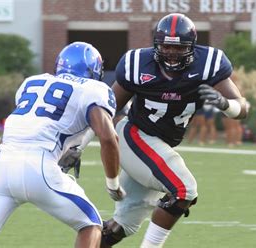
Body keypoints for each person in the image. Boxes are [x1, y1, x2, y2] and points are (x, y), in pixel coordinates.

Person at [0, 42, 125, 248]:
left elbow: (17, 127)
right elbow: (108, 137)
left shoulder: (33, 82)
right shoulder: (93, 89)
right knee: (91, 224)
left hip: (2, 164)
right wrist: (113, 184)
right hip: (39, 165)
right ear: (94, 70)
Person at [98, 13, 248, 247]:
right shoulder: (138, 63)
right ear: (157, 44)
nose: (171, 53)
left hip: (158, 146)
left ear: (192, 47)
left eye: (179, 48)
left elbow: (243, 108)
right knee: (183, 190)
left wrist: (225, 104)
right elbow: (105, 108)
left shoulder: (208, 64)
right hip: (134, 136)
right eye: (167, 46)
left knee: (120, 228)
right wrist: (78, 143)